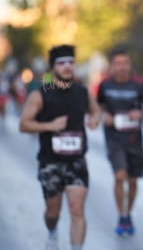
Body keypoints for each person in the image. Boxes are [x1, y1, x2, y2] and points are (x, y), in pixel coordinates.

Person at [19, 44, 100, 250]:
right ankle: (52, 231)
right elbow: (24, 124)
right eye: (61, 63)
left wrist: (94, 119)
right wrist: (49, 125)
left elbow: (95, 110)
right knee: (53, 213)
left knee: (77, 209)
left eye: (70, 62)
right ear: (53, 67)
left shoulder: (82, 92)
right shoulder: (40, 94)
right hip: (50, 161)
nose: (67, 66)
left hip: (76, 160)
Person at [97, 47, 143, 236]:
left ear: (129, 65)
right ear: (112, 66)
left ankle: (128, 212)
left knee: (132, 180)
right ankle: (121, 215)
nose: (122, 67)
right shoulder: (105, 85)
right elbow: (98, 104)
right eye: (118, 64)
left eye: (126, 63)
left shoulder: (138, 83)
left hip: (133, 139)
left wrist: (141, 112)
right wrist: (104, 114)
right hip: (114, 138)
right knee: (119, 176)